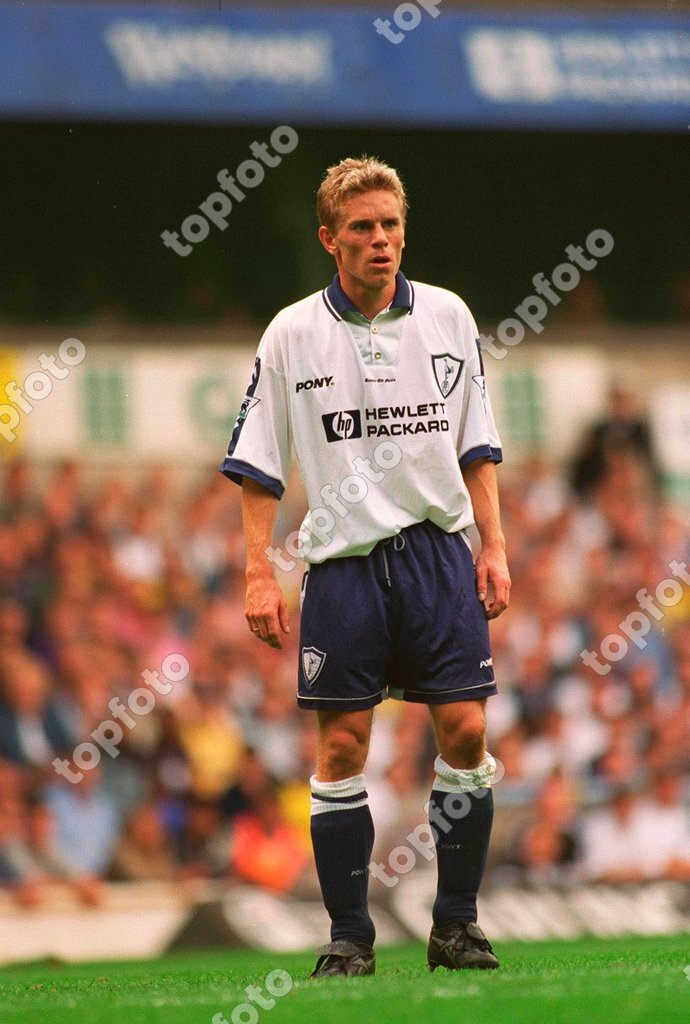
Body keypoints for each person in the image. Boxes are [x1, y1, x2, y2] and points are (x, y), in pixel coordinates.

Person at [220, 157, 510, 977]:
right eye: (361, 228)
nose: (380, 240)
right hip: (344, 564)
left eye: (390, 226)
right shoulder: (290, 333)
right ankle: (349, 934)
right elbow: (257, 464)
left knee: (466, 729)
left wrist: (493, 545)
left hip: (436, 553)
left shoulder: (450, 317)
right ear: (329, 240)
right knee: (343, 747)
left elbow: (477, 446)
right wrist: (255, 572)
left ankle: (455, 925)